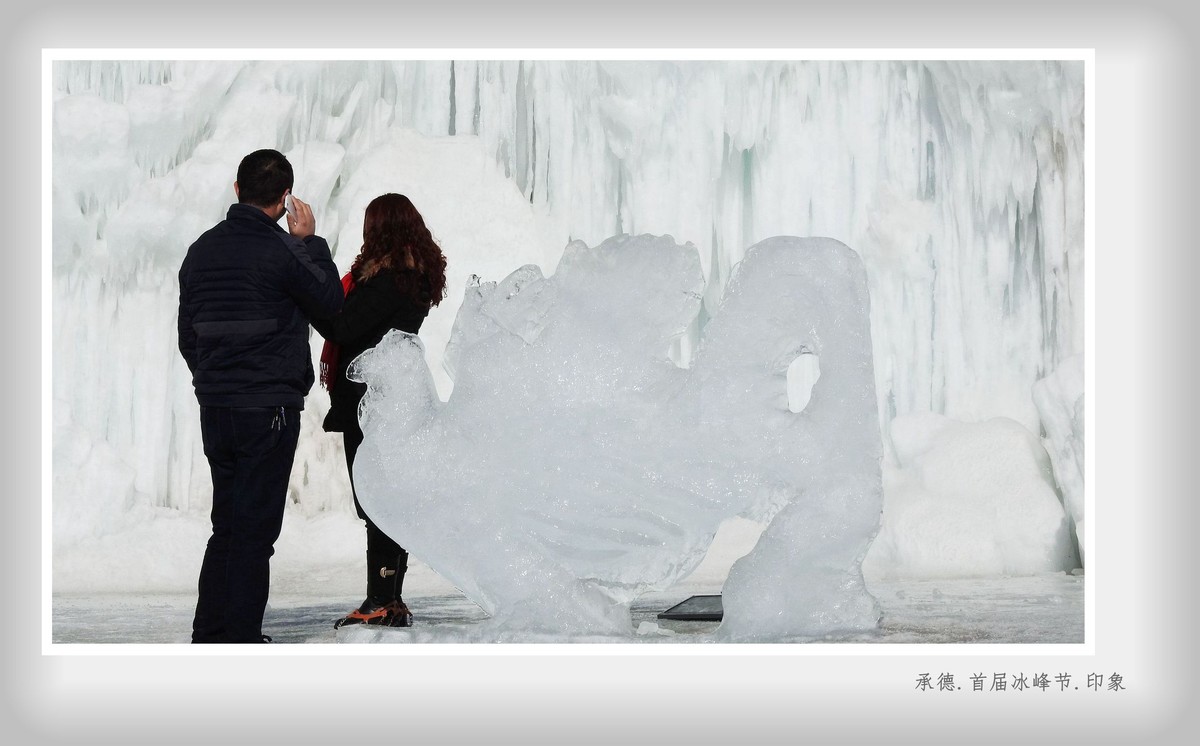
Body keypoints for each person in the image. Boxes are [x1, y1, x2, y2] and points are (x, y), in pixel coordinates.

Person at [177, 149, 343, 643]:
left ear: (236, 189)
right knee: (253, 531)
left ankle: (210, 631)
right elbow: (332, 312)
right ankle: (240, 637)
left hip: (217, 405)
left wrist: (212, 379)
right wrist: (311, 243)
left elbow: (189, 335)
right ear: (285, 199)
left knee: (226, 523)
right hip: (267, 407)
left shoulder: (200, 250)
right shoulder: (286, 251)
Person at [312, 193, 447, 629]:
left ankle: (380, 600)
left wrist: (308, 299)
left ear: (380, 230)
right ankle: (391, 597)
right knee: (388, 496)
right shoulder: (416, 277)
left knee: (375, 500)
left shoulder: (389, 279)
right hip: (398, 394)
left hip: (371, 400)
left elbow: (342, 326)